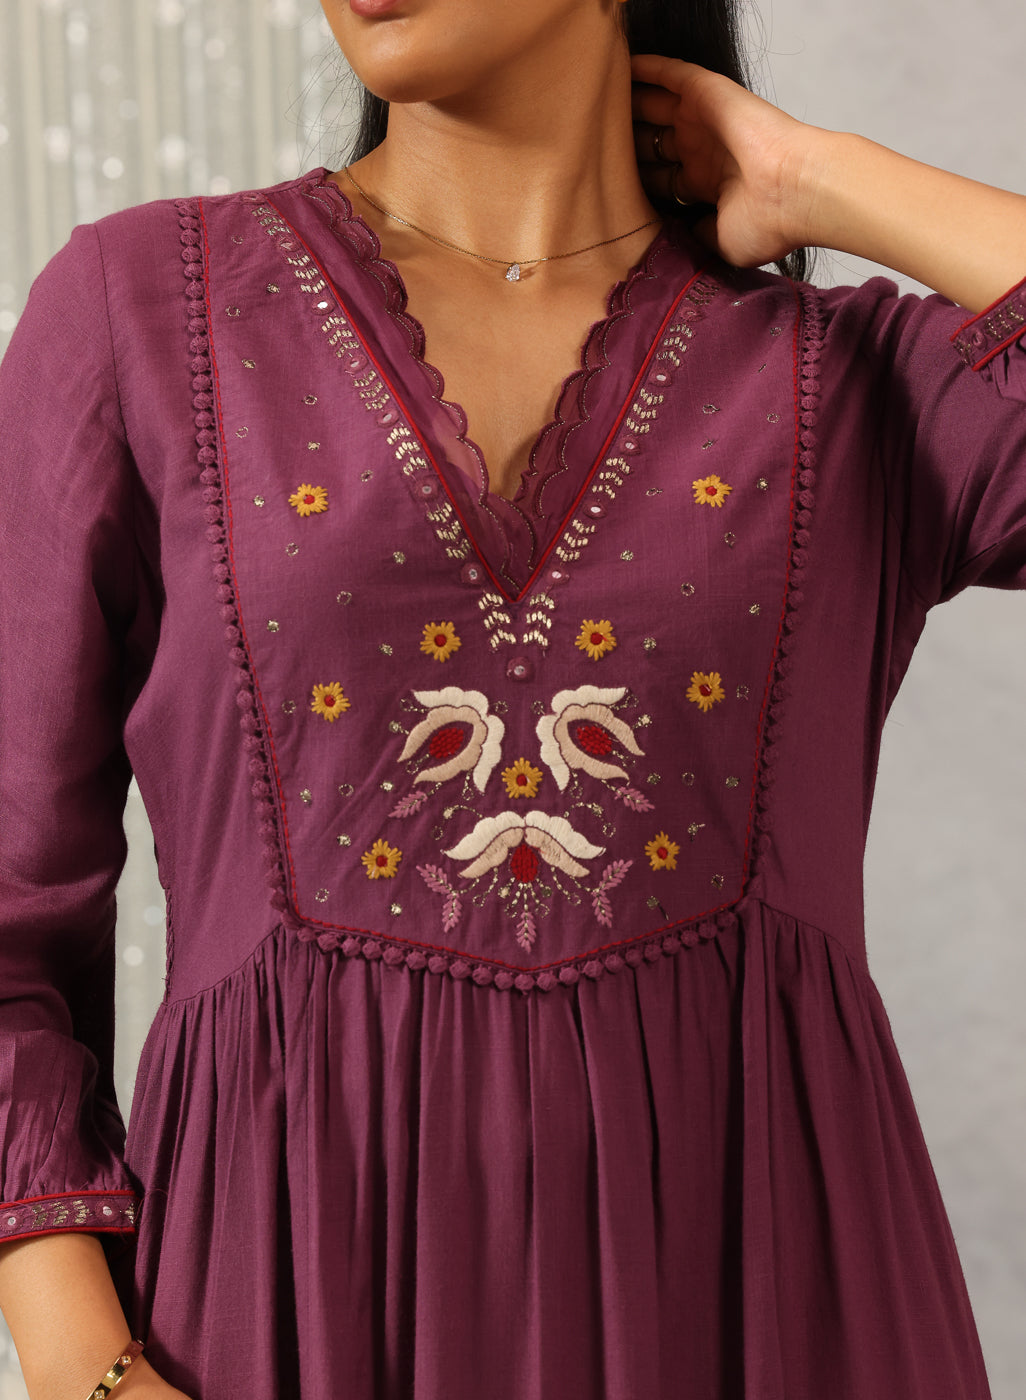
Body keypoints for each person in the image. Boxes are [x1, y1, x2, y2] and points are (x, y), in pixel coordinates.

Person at [1, 0, 1023, 1395]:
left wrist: (819, 179)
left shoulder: (847, 383)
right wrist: (87, 1372)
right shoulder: (146, 313)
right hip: (280, 1304)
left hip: (763, 1302)